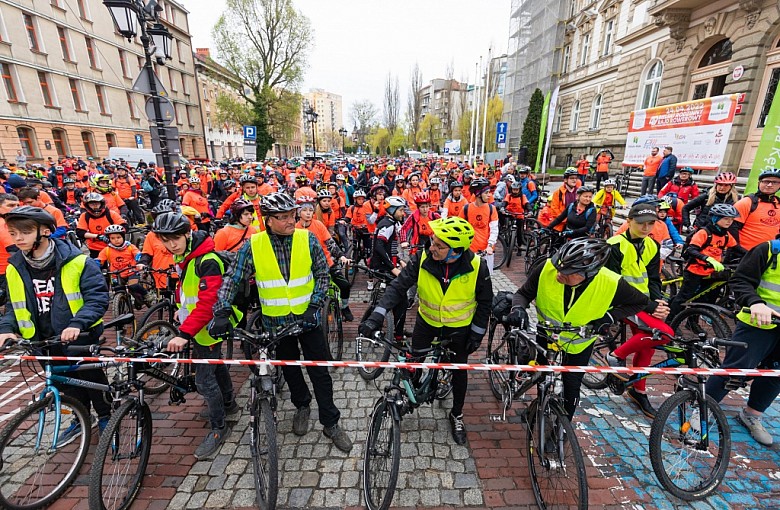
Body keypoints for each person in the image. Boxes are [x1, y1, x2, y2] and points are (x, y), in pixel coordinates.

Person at [210, 192, 353, 452]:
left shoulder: (307, 238)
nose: (291, 221)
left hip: (307, 320)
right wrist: (221, 311)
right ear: (268, 220)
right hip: (276, 323)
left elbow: (321, 274)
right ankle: (302, 405)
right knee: (290, 369)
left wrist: (315, 304)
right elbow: (231, 279)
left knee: (320, 372)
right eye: (284, 217)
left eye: (292, 215)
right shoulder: (253, 245)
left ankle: (330, 421)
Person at [359, 217, 493, 444]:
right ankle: (409, 397)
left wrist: (477, 334)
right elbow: (398, 286)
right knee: (414, 361)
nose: (432, 247)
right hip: (427, 323)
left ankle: (457, 414)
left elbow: (485, 302)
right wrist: (377, 315)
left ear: (456, 251)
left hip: (458, 330)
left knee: (459, 371)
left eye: (439, 245)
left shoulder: (478, 266)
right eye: (433, 241)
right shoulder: (422, 258)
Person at [0, 206, 111, 440]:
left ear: (45, 231)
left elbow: (97, 298)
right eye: (13, 233)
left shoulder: (77, 261)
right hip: (42, 339)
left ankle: (105, 416)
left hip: (78, 337)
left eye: (25, 232)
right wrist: (7, 329)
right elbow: (14, 305)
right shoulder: (15, 266)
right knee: (65, 385)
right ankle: (81, 417)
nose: (18, 238)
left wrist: (78, 324)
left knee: (92, 380)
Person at [506, 238, 648, 420]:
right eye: (559, 267)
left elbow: (640, 302)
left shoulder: (610, 281)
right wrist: (518, 308)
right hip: (547, 334)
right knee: (542, 376)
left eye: (566, 272)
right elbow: (524, 293)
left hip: (579, 342)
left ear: (587, 274)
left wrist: (608, 318)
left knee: (571, 386)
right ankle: (538, 408)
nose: (558, 273)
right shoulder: (546, 267)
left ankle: (563, 426)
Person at [152, 212, 241, 459]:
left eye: (175, 239)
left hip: (209, 326)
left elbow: (208, 301)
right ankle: (230, 404)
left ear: (187, 234)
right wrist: (183, 315)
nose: (171, 245)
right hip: (198, 325)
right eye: (166, 240)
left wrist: (183, 333)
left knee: (204, 381)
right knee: (215, 364)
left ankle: (218, 427)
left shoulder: (207, 260)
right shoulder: (187, 257)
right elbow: (190, 294)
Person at [701, 235, 780, 446]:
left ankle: (752, 414)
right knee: (735, 369)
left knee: (776, 373)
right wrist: (755, 302)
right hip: (758, 323)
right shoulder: (768, 250)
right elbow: (740, 279)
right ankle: (704, 409)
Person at [604, 203, 672, 418]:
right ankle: (616, 355)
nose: (646, 227)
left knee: (648, 343)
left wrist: (658, 302)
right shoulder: (614, 245)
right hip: (621, 301)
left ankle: (638, 390)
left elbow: (653, 279)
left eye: (651, 223)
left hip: (642, 302)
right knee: (665, 334)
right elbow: (612, 283)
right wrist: (650, 306)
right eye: (641, 223)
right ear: (629, 221)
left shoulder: (652, 244)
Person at [668, 204, 744, 320]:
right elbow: (692, 249)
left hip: (712, 272)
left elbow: (737, 248)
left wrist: (755, 255)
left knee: (703, 300)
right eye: (725, 218)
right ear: (715, 218)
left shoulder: (725, 235)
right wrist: (707, 259)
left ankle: (692, 322)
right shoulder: (704, 233)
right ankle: (670, 322)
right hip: (695, 270)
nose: (729, 222)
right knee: (684, 297)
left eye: (731, 219)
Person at [297, 195, 354, 322]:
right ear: (298, 212)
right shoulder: (295, 228)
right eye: (304, 210)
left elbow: (330, 243)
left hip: (326, 263)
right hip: (306, 267)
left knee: (344, 285)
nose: (308, 213)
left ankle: (345, 307)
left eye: (310, 210)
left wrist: (342, 256)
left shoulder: (318, 225)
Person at [368, 196, 408, 332]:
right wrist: (392, 268)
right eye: (401, 210)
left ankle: (396, 330)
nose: (403, 213)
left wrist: (399, 260)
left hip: (387, 264)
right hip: (383, 266)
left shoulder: (391, 222)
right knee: (402, 301)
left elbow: (389, 247)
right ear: (392, 210)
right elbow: (379, 247)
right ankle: (397, 334)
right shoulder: (387, 224)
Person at [96, 224, 147, 307]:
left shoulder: (130, 247)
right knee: (118, 290)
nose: (116, 240)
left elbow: (138, 254)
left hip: (131, 272)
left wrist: (140, 261)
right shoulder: (107, 250)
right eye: (112, 238)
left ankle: (146, 295)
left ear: (123, 237)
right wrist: (94, 265)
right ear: (109, 239)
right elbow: (99, 260)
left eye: (118, 237)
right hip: (116, 274)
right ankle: (120, 308)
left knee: (133, 286)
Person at [733, 169, 780, 251]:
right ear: (759, 183)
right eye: (766, 181)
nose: (769, 185)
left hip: (770, 253)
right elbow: (732, 228)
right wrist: (738, 250)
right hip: (745, 253)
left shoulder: (778, 204)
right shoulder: (746, 202)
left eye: (775, 182)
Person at [460, 178, 499, 273]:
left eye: (489, 192)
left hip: (486, 251)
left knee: (485, 280)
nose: (489, 195)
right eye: (486, 193)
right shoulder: (466, 208)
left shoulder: (491, 209)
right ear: (478, 194)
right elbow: (459, 229)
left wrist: (490, 245)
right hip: (469, 251)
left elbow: (494, 229)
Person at [76, 193, 127, 258]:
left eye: (97, 203)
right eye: (92, 204)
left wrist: (111, 235)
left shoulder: (111, 214)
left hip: (113, 246)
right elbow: (80, 232)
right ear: (87, 205)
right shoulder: (85, 216)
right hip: (95, 248)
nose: (95, 206)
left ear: (101, 204)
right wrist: (98, 236)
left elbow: (124, 227)